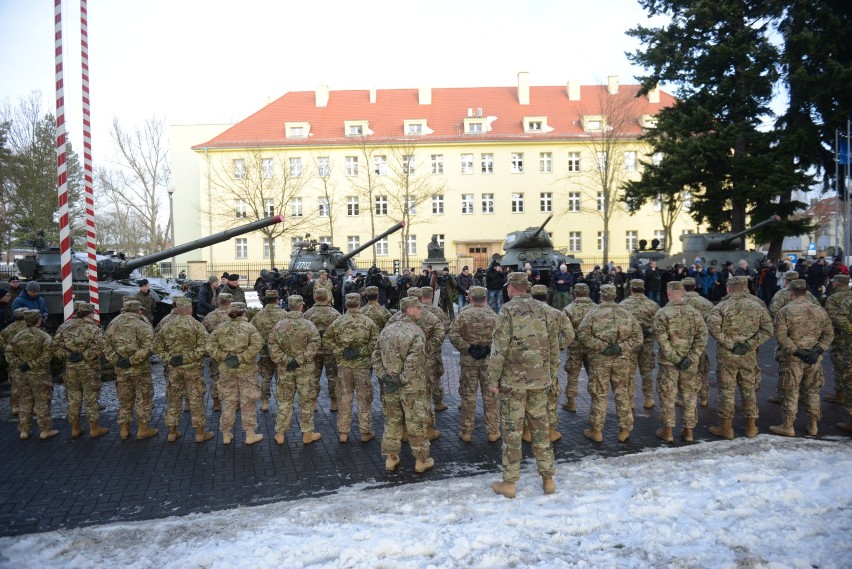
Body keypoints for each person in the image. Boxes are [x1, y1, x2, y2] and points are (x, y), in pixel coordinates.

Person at [488, 272, 560, 499]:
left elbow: (498, 349)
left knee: (512, 432)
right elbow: (555, 346)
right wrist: (552, 376)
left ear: (511, 288)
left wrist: (493, 380)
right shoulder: (545, 310)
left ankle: (509, 483)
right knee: (541, 429)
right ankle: (548, 479)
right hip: (540, 381)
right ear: (526, 288)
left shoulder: (507, 311)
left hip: (513, 384)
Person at [706, 276, 773, 440]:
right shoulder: (757, 306)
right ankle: (751, 426)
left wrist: (730, 343)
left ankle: (726, 427)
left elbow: (713, 328)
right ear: (745, 288)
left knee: (727, 391)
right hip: (748, 355)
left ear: (729, 288)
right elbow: (768, 329)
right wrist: (749, 344)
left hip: (727, 356)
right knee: (749, 389)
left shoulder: (721, 306)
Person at [373, 296, 434, 473]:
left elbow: (375, 356)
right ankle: (421, 461)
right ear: (409, 309)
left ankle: (391, 459)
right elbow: (414, 362)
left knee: (392, 422)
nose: (421, 310)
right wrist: (402, 379)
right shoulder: (416, 332)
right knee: (416, 423)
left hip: (390, 385)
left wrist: (384, 376)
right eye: (418, 307)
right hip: (411, 387)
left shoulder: (386, 330)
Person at [577, 284, 643, 443]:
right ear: (615, 296)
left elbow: (582, 335)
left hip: (600, 361)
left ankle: (597, 430)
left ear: (601, 296)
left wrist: (603, 347)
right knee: (622, 393)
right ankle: (625, 429)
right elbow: (638, 338)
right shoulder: (626, 314)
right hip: (622, 361)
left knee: (599, 394)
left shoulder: (592, 314)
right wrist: (620, 347)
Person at [770, 280, 833, 437]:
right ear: (806, 292)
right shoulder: (819, 310)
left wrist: (797, 351)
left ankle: (788, 425)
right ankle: (813, 425)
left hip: (793, 359)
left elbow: (781, 336)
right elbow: (829, 334)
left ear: (791, 293)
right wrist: (818, 349)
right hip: (814, 359)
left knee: (791, 391)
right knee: (812, 391)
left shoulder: (785, 311)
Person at [652, 281, 708, 443]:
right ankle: (688, 431)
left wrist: (675, 358)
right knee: (689, 395)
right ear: (683, 292)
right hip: (690, 363)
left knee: (668, 395)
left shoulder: (662, 313)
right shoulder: (694, 313)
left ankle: (668, 431)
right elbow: (702, 337)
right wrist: (691, 357)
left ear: (668, 293)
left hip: (669, 363)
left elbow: (662, 340)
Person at [152, 297, 214, 443]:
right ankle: (199, 434)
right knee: (196, 399)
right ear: (190, 309)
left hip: (173, 369)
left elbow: (155, 346)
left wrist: (168, 358)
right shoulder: (196, 325)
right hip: (193, 369)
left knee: (173, 399)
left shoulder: (167, 325)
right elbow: (206, 346)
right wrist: (189, 357)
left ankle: (172, 433)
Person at [386, 288, 443, 441]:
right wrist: (427, 350)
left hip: (402, 364)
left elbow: (386, 336)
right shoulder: (430, 316)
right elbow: (440, 333)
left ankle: (405, 430)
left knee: (403, 396)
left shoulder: (396, 318)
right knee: (424, 396)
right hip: (425, 363)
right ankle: (428, 429)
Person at [206, 301, 264, 445]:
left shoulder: (221, 327)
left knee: (228, 401)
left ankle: (226, 434)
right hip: (247, 371)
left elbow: (209, 345)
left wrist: (223, 356)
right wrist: (242, 357)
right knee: (248, 401)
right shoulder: (249, 327)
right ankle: (250, 435)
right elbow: (258, 344)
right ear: (244, 312)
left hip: (226, 370)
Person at [267, 295, 322, 445]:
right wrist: (299, 360)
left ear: (288, 306)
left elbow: (272, 346)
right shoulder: (309, 325)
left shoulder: (278, 326)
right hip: (305, 369)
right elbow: (315, 345)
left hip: (285, 370)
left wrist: (286, 360)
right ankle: (307, 433)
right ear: (301, 306)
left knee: (284, 401)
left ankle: (280, 433)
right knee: (306, 401)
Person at [325, 293, 379, 443]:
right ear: (360, 304)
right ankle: (365, 432)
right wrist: (360, 352)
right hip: (362, 367)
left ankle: (343, 432)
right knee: (364, 399)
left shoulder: (338, 322)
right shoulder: (368, 322)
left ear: (346, 304)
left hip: (343, 367)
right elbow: (376, 342)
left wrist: (340, 352)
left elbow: (327, 340)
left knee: (344, 399)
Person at [449, 286, 499, 443]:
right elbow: (502, 337)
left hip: (469, 361)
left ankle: (466, 431)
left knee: (468, 396)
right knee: (490, 396)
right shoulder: (494, 316)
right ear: (485, 298)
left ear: (470, 298)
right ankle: (492, 431)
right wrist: (488, 349)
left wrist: (468, 348)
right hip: (488, 362)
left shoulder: (463, 315)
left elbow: (453, 334)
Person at [52, 302, 107, 439]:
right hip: (89, 368)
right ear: (90, 313)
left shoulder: (64, 326)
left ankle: (75, 428)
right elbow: (100, 345)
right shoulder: (93, 328)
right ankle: (94, 429)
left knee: (73, 398)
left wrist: (69, 355)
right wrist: (85, 355)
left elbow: (55, 347)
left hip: (71, 368)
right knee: (91, 398)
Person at [105, 299, 158, 441]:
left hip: (121, 370)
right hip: (140, 369)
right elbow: (150, 346)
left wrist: (117, 360)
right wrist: (133, 360)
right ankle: (143, 429)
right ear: (138, 310)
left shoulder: (113, 323)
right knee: (143, 399)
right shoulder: (142, 324)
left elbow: (106, 345)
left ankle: (124, 430)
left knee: (124, 400)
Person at [530, 284, 575, 443]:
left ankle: (528, 431)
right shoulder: (557, 313)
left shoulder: (524, 313)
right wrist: (557, 346)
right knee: (551, 392)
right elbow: (569, 335)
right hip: (550, 361)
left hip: (528, 360)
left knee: (528, 392)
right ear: (546, 296)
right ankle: (551, 430)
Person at [6, 310, 57, 440]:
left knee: (24, 400)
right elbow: (48, 356)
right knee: (42, 401)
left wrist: (20, 364)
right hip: (39, 374)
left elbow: (8, 353)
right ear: (38, 321)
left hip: (21, 374)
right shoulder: (44, 336)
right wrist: (33, 364)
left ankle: (24, 430)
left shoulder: (17, 336)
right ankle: (45, 430)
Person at [619, 279, 660, 409]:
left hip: (630, 344)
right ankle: (648, 399)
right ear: (643, 289)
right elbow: (659, 324)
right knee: (647, 371)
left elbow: (619, 326)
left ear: (631, 289)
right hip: (647, 344)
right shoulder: (653, 305)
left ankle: (630, 401)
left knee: (629, 372)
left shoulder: (623, 305)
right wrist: (648, 332)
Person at [304, 287, 341, 412]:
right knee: (332, 376)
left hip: (313, 351)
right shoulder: (335, 313)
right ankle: (334, 401)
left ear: (315, 297)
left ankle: (314, 402)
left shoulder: (308, 314)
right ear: (327, 297)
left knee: (314, 376)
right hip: (330, 350)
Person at [250, 289, 287, 412]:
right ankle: (282, 402)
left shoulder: (258, 315)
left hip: (264, 352)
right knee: (281, 378)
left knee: (265, 378)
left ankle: (265, 401)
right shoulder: (284, 314)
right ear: (277, 299)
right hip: (280, 352)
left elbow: (251, 332)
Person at [561, 283, 595, 413]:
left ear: (574, 293)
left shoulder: (568, 309)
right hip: (591, 346)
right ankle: (595, 402)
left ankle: (571, 403)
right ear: (587, 292)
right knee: (593, 374)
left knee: (572, 374)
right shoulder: (595, 308)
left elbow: (564, 329)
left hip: (574, 347)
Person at [681, 277, 714, 407]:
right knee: (702, 369)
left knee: (686, 371)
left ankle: (687, 398)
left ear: (682, 288)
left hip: (684, 342)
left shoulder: (680, 302)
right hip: (701, 341)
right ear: (694, 287)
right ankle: (704, 397)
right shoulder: (706, 302)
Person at [417, 287, 449, 412]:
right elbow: (446, 327)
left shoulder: (414, 311)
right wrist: (436, 341)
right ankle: (437, 401)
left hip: (416, 350)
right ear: (431, 296)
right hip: (434, 350)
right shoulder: (438, 311)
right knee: (435, 376)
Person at [202, 293, 233, 411]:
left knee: (216, 377)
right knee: (233, 377)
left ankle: (216, 403)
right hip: (233, 352)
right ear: (230, 301)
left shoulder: (210, 316)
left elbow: (203, 333)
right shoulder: (235, 315)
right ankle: (234, 403)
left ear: (218, 301)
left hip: (216, 352)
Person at [823, 275, 850, 405]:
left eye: (834, 282)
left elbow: (832, 319)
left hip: (840, 337)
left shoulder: (833, 298)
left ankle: (840, 394)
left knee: (840, 365)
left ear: (837, 283)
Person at [1, 308, 29, 415]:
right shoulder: (29, 327)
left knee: (15, 384)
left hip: (14, 360)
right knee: (31, 384)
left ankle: (15, 406)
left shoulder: (9, 328)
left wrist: (7, 348)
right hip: (29, 359)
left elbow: (2, 340)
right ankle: (32, 406)